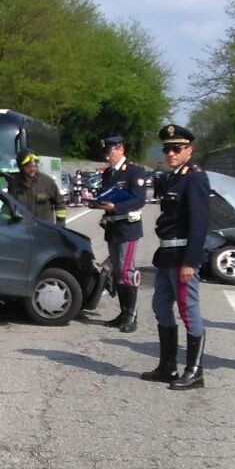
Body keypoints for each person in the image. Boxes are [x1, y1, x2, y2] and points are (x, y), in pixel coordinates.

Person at [141, 124, 209, 389]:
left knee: (188, 311)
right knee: (160, 306)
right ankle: (168, 366)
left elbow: (199, 223)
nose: (171, 153)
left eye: (176, 149)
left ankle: (194, 371)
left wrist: (191, 262)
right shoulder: (173, 177)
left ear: (189, 150)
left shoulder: (195, 178)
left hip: (182, 255)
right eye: (167, 149)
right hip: (166, 253)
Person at [90, 134, 150, 333]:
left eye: (111, 152)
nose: (108, 157)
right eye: (106, 153)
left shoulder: (134, 171)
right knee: (117, 272)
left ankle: (131, 316)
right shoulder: (108, 173)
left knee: (126, 271)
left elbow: (139, 200)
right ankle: (123, 313)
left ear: (121, 149)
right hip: (112, 227)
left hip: (127, 227)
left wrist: (115, 205)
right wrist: (95, 201)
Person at [6, 149, 67, 225]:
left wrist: (60, 226)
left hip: (45, 230)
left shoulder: (47, 182)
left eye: (34, 166)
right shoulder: (14, 185)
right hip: (23, 231)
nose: (32, 169)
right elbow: (8, 207)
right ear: (21, 167)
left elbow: (60, 203)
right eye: (28, 166)